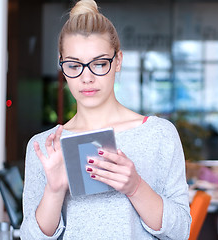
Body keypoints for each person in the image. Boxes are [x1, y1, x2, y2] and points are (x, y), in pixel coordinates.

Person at [19, 0, 191, 239]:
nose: (86, 78)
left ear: (118, 61)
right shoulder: (45, 146)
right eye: (74, 65)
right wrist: (55, 190)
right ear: (61, 65)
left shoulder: (159, 134)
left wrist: (135, 187)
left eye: (99, 63)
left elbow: (181, 231)